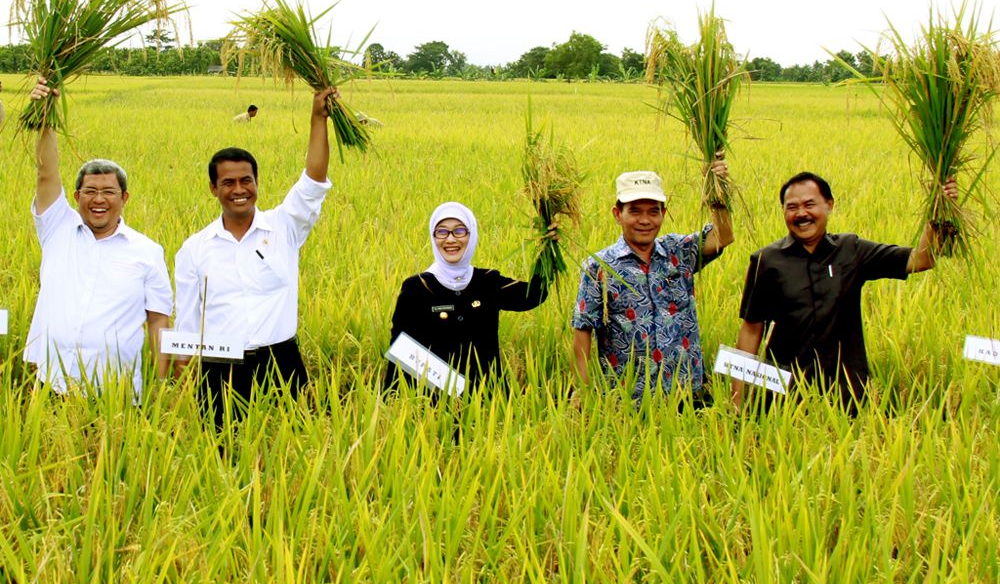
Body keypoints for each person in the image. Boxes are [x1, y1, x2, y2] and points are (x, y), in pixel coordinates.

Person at [174, 88, 336, 427]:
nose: (239, 189)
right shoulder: (194, 248)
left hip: (281, 361)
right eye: (228, 182)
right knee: (223, 456)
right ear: (213, 189)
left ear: (257, 183)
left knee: (292, 454)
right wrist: (181, 374)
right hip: (220, 368)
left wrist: (318, 118)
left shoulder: (284, 227)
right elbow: (188, 321)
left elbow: (313, 181)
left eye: (246, 180)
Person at [733, 171, 959, 412]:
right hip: (784, 396)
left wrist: (940, 209)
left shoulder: (851, 250)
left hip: (847, 393)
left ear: (829, 205)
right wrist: (737, 400)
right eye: (792, 207)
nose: (801, 214)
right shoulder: (767, 260)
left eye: (810, 204)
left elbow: (920, 259)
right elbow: (751, 329)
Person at [24, 79, 172, 395]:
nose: (99, 199)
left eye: (108, 192)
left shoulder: (147, 251)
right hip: (52, 383)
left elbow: (158, 321)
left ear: (125, 198)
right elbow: (46, 173)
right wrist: (46, 116)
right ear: (76, 196)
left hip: (116, 394)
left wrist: (163, 387)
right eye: (90, 191)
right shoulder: (57, 229)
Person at [572, 165, 733, 405]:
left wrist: (718, 189)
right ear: (618, 214)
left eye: (653, 212)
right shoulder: (599, 267)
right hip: (628, 400)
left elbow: (723, 236)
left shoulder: (678, 252)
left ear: (663, 213)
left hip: (687, 395)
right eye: (635, 211)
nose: (645, 220)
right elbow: (582, 331)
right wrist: (584, 395)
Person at [385, 201, 549, 393]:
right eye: (442, 232)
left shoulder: (488, 282)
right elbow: (401, 350)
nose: (450, 239)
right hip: (434, 404)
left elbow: (534, 295)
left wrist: (547, 246)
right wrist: (392, 404)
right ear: (433, 237)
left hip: (488, 401)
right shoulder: (417, 288)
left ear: (471, 235)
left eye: (459, 231)